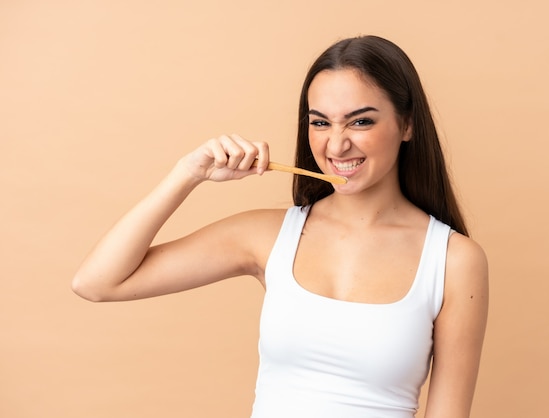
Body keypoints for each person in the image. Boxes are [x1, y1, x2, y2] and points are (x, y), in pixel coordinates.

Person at [72, 35, 488, 418]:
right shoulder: (267, 236)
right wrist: (187, 174)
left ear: (408, 124)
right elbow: (97, 282)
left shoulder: (454, 260)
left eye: (361, 122)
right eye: (320, 122)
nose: (336, 144)